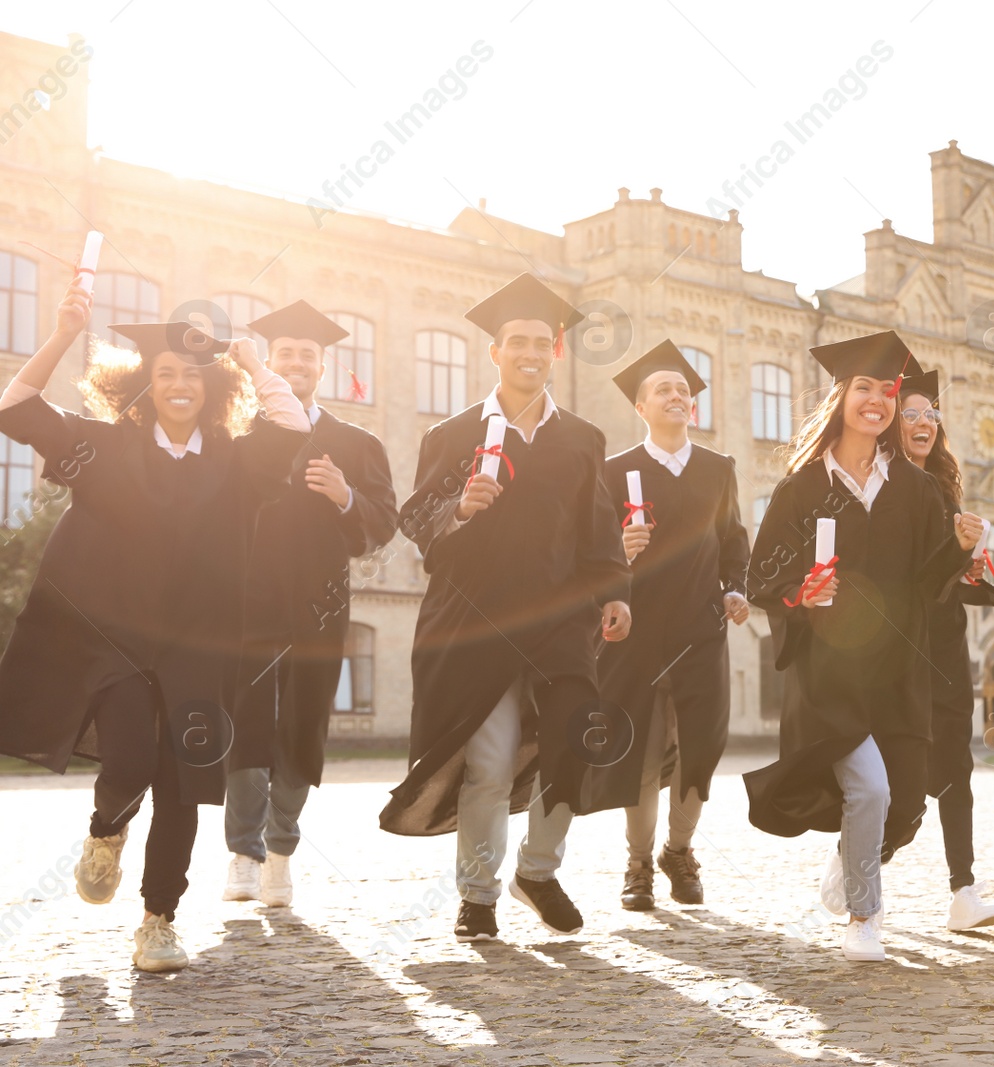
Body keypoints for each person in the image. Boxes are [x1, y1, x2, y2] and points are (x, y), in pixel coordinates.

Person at [0, 282, 310, 972]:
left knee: (184, 784)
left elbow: (291, 429)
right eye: (164, 373)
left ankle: (158, 922)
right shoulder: (103, 448)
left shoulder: (232, 460)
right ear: (144, 385)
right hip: (116, 640)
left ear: (210, 387)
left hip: (200, 646)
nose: (178, 384)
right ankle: (106, 828)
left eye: (192, 374)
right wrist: (60, 334)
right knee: (132, 759)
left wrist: (255, 362)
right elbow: (14, 408)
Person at [379, 273, 632, 942]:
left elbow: (599, 530)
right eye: (515, 340)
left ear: (557, 352)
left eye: (540, 342)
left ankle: (538, 871)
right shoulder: (454, 434)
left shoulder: (581, 438)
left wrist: (614, 591)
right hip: (476, 620)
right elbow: (415, 515)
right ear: (494, 351)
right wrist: (458, 509)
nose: (528, 351)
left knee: (577, 738)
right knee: (488, 763)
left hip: (560, 620)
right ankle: (479, 894)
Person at [743, 331, 982, 962]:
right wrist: (802, 594)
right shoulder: (801, 489)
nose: (877, 400)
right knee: (870, 790)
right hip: (831, 672)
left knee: (905, 804)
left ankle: (851, 862)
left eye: (888, 389)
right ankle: (863, 917)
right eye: (865, 388)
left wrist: (958, 550)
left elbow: (931, 583)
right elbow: (762, 574)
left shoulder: (916, 489)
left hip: (900, 669)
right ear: (841, 395)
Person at [222, 301, 397, 908]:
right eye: (286, 353)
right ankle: (242, 853)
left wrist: (348, 497)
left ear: (323, 365)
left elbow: (384, 524)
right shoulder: (241, 431)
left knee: (303, 721)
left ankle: (280, 853)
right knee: (246, 717)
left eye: (308, 355)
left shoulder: (356, 441)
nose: (297, 362)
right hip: (248, 596)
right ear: (268, 360)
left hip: (321, 600)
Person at [587, 341, 750, 911]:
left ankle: (678, 852)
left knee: (700, 747)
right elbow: (590, 554)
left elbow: (734, 542)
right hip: (635, 634)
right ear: (640, 406)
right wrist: (619, 555)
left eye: (684, 390)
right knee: (642, 749)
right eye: (664, 389)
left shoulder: (717, 469)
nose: (677, 396)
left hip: (702, 631)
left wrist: (735, 587)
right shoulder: (613, 473)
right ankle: (638, 864)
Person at [896, 369, 994, 932]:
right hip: (896, 646)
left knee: (956, 766)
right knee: (902, 774)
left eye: (931, 415)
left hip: (944, 641)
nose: (924, 423)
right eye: (911, 413)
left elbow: (938, 579)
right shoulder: (881, 489)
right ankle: (861, 861)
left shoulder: (943, 488)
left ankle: (963, 888)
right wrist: (952, 556)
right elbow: (905, 583)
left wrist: (971, 570)